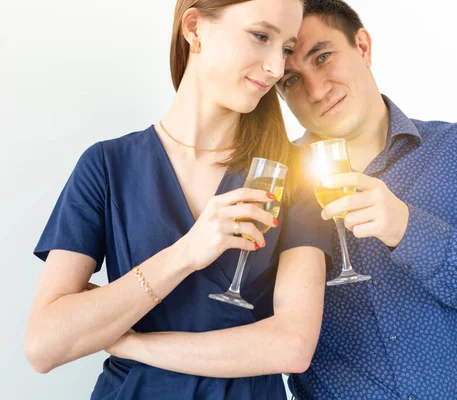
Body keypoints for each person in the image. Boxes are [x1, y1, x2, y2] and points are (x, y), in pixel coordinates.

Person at [24, 0, 331, 399]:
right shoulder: (107, 165)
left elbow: (291, 346)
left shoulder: (295, 175)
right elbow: (44, 346)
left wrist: (131, 343)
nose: (276, 66)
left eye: (285, 48)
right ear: (194, 27)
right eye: (260, 37)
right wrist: (186, 253)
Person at [276, 0, 457, 398]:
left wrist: (410, 230)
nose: (317, 91)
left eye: (322, 57)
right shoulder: (276, 185)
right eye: (290, 81)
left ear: (363, 46)